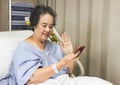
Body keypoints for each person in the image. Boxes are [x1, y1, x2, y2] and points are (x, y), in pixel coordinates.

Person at [8, 5, 113, 85]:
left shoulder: (53, 46)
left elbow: (68, 73)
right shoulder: (24, 48)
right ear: (34, 24)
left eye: (51, 26)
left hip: (63, 81)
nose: (48, 30)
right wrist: (60, 64)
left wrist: (69, 54)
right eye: (44, 25)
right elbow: (31, 78)